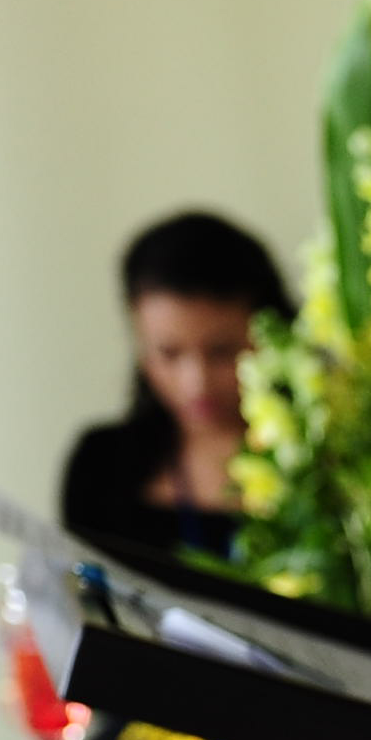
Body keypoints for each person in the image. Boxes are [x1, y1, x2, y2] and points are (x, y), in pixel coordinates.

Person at [58, 211, 290, 562]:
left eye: (222, 351)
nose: (197, 383)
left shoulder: (327, 468)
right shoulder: (101, 468)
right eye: (169, 353)